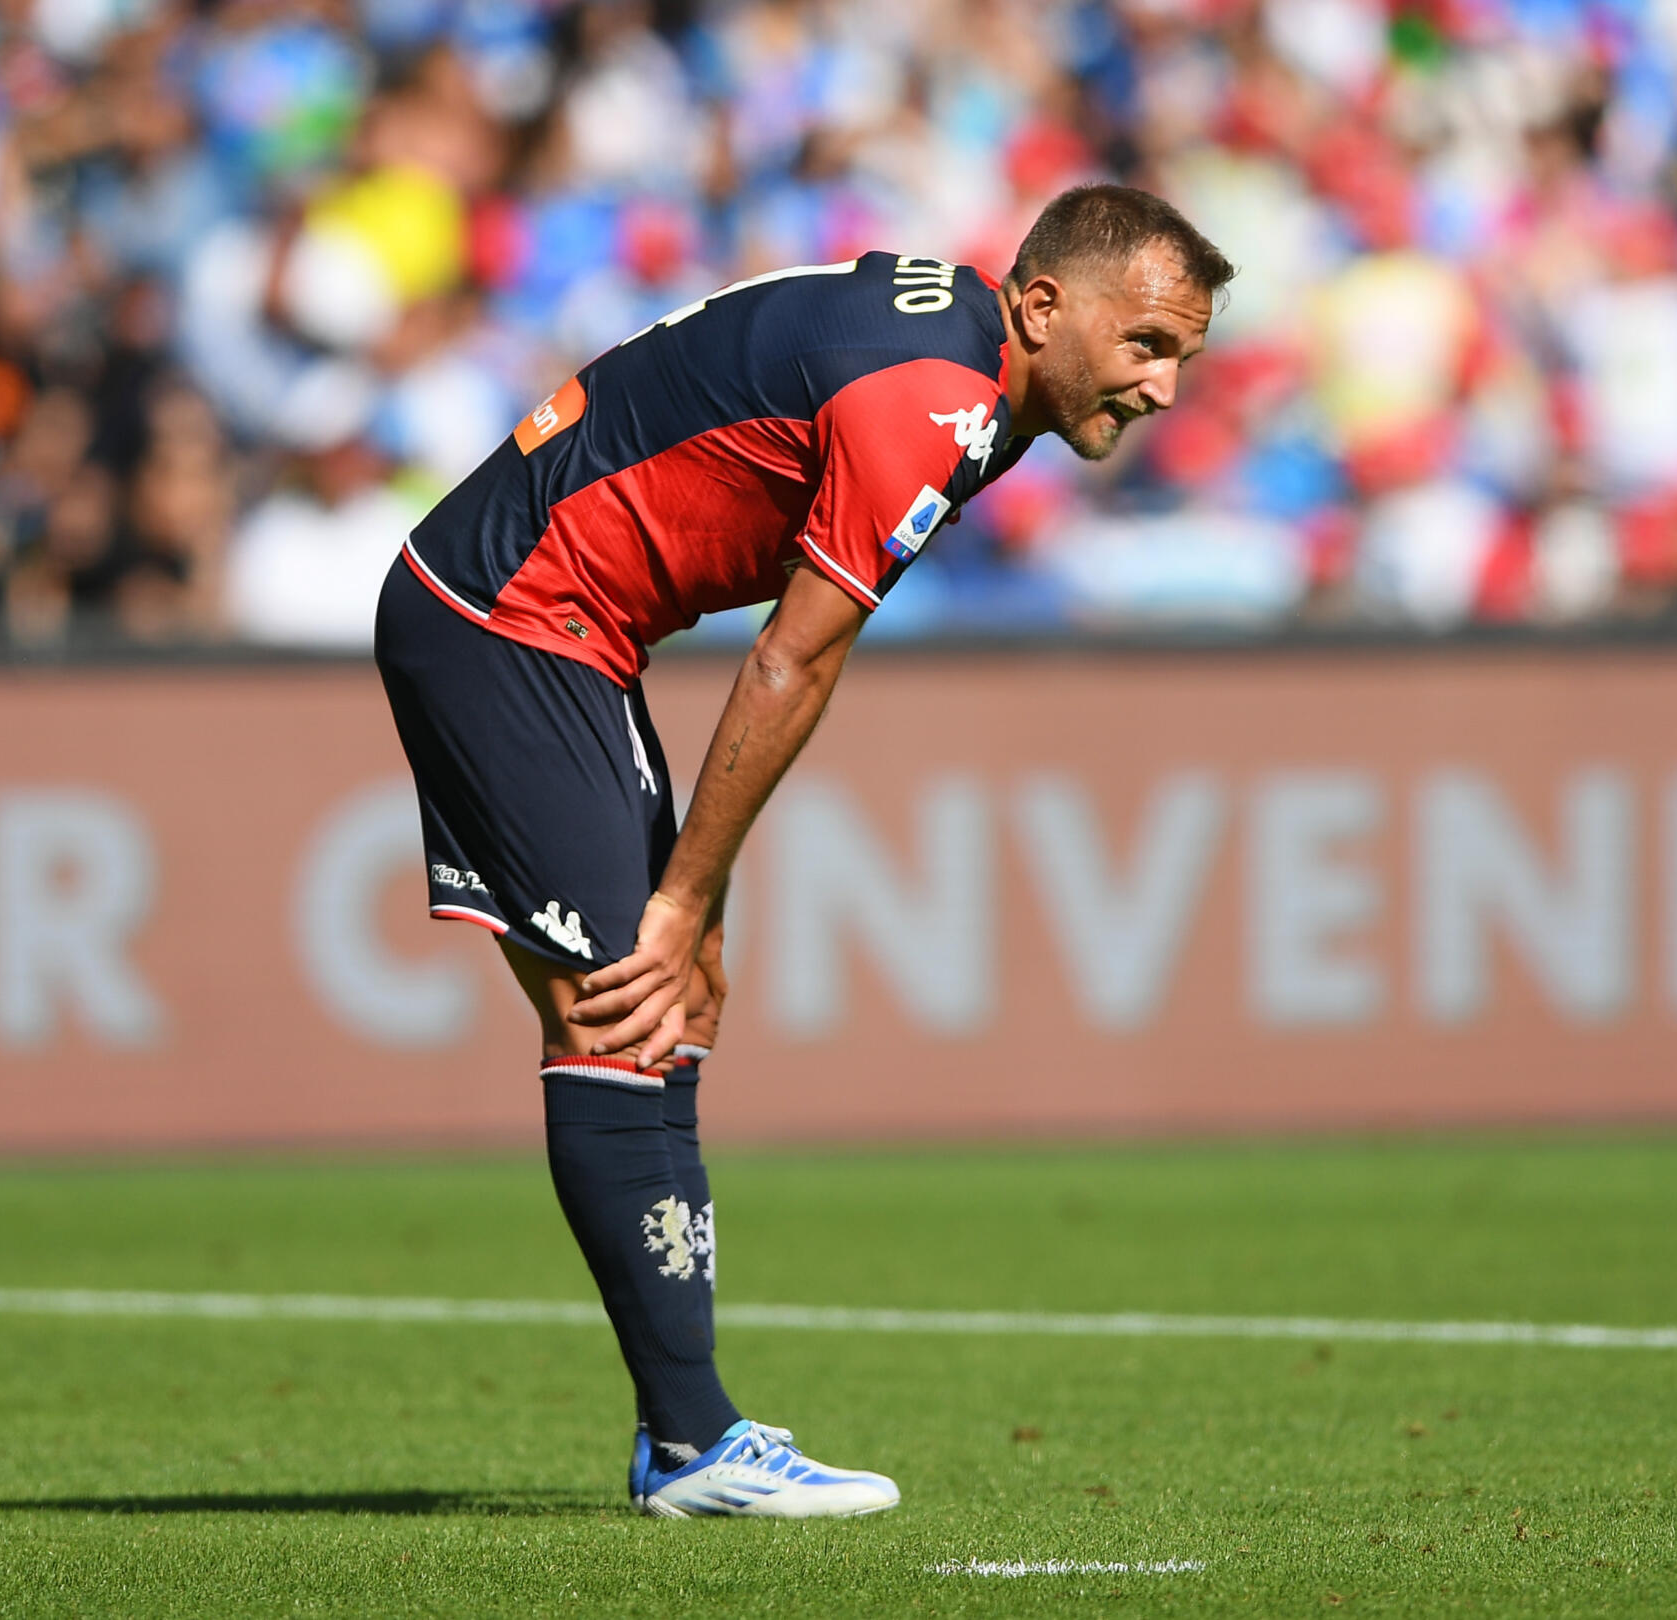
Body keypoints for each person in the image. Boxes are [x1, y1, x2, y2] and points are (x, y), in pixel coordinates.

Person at [371, 184, 1230, 1517]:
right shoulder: (935, 405)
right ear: (1047, 306)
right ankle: (692, 1444)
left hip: (556, 627)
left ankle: (688, 1434)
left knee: (666, 1001)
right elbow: (792, 656)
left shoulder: (966, 350)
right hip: (512, 620)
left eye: (1183, 357)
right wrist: (687, 893)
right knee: (629, 1008)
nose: (1166, 387)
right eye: (1150, 345)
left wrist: (691, 904)